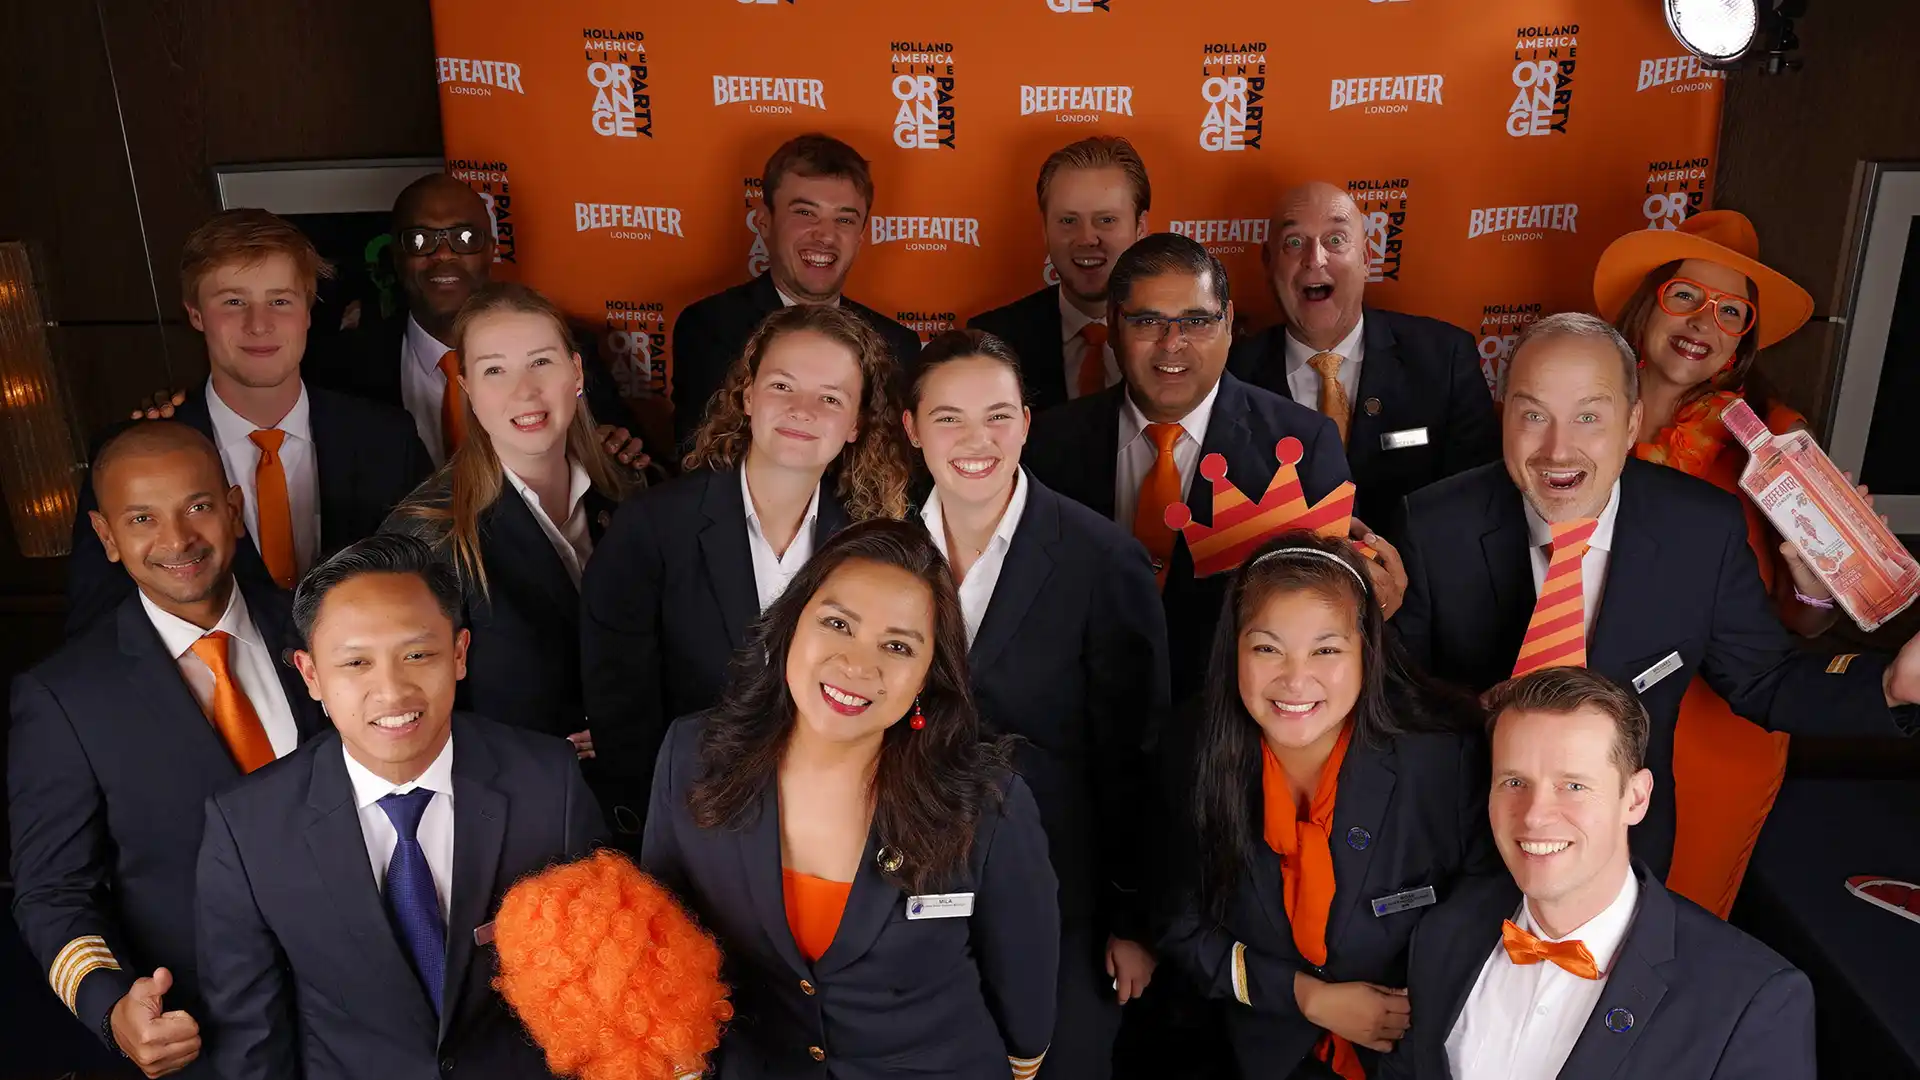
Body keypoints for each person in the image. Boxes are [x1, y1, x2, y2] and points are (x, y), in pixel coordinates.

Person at [1392, 311, 1920, 879]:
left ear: (1630, 421)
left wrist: (1888, 687)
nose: (1557, 449)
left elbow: (1764, 680)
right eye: (1532, 415)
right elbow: (1395, 702)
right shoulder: (1432, 526)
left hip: (1624, 856)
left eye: (1589, 417)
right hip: (1462, 844)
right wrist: (1475, 715)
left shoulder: (1701, 529)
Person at [641, 519, 1060, 1079]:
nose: (859, 666)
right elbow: (661, 946)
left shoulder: (987, 804)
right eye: (838, 624)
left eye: (897, 646)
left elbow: (1025, 999)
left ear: (926, 678)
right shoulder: (689, 757)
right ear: (791, 625)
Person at [194, 534, 607, 1080]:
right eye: (356, 663)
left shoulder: (547, 783)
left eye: (418, 655)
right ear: (311, 674)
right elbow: (252, 1042)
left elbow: (601, 994)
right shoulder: (249, 826)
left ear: (459, 654)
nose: (391, 691)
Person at [10, 422, 323, 1079]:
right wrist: (111, 1004)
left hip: (374, 1025)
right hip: (209, 1043)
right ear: (106, 537)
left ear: (235, 511)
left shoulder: (326, 631)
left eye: (199, 507)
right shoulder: (65, 698)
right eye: (143, 518)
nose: (178, 540)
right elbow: (51, 891)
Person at [904, 328, 1170, 1079]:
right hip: (906, 894)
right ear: (912, 428)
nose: (975, 439)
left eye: (997, 415)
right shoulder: (877, 554)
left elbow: (1137, 753)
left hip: (1065, 902)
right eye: (949, 417)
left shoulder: (1100, 558)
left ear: (1027, 421)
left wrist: (1130, 919)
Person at [1158, 533, 1493, 1080]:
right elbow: (1181, 927)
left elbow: (1486, 913)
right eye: (1267, 648)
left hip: (1419, 1051)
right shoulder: (1192, 752)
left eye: (1327, 650)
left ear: (1368, 653)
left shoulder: (1444, 764)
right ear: (1233, 652)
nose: (1294, 679)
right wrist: (1308, 997)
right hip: (1256, 1051)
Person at [1380, 667, 1814, 1080]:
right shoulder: (1443, 931)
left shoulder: (1754, 1001)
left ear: (1636, 798)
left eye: (1573, 786)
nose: (1534, 817)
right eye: (1514, 782)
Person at [1594, 210, 1844, 918]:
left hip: (1715, 727)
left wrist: (1817, 591)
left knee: (1673, 928)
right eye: (1685, 297)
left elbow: (1803, 623)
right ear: (1647, 305)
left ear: (1742, 342)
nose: (1703, 320)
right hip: (1584, 708)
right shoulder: (1579, 408)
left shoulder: (1778, 441)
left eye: (1730, 311)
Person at [582, 303, 910, 839]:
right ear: (747, 395)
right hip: (686, 823)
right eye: (783, 386)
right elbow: (623, 717)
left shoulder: (870, 548)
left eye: (830, 398)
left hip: (832, 829)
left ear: (855, 424)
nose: (803, 410)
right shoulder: (651, 528)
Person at [1024, 232, 1357, 704]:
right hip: (1081, 728)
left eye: (1196, 321)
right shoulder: (1046, 444)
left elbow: (1328, 621)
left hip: (1230, 733)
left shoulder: (1304, 444)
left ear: (1229, 322)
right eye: (1148, 321)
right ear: (1115, 325)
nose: (1172, 343)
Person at [65, 209, 432, 634]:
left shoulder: (387, 437)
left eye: (280, 300)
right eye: (233, 302)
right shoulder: (130, 451)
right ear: (196, 314)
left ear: (308, 311)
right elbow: (97, 623)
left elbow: (434, 587)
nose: (259, 324)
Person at [382, 282, 631, 815]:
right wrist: (522, 755)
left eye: (541, 362)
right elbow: (399, 702)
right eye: (495, 370)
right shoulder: (428, 533)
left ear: (577, 373)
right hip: (517, 815)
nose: (525, 392)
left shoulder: (630, 494)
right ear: (467, 387)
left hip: (641, 803)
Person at [303, 173, 642, 469]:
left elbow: (642, 471)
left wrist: (615, 457)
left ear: (491, 250)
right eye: (420, 240)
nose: (443, 254)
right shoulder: (345, 365)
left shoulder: (565, 349)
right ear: (397, 257)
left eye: (464, 238)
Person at [1226, 182, 1499, 531]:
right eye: (1294, 243)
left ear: (1367, 258)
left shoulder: (1444, 359)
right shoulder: (1232, 376)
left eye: (1335, 240)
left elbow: (1476, 505)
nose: (1315, 258)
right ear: (1268, 262)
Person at [671, 133, 923, 449]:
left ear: (860, 237)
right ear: (764, 222)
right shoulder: (709, 328)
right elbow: (705, 459)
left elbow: (897, 469)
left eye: (844, 219)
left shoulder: (899, 344)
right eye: (805, 213)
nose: (825, 236)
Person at [968, 136, 1151, 411]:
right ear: (1045, 230)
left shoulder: (1180, 337)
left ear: (1140, 227)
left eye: (1107, 220)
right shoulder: (991, 340)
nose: (1087, 238)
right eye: (1068, 221)